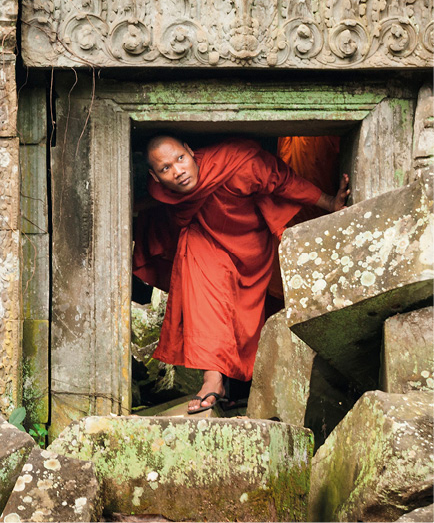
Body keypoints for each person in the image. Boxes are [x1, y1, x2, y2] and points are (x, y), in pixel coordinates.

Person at [132, 135, 350, 414]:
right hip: (206, 239)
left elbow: (284, 181)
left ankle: (241, 386)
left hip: (249, 240)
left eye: (180, 158)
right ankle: (212, 379)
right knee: (205, 300)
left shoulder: (237, 162)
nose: (178, 171)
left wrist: (330, 202)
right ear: (155, 176)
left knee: (246, 314)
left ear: (190, 150)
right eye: (165, 169)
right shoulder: (160, 190)